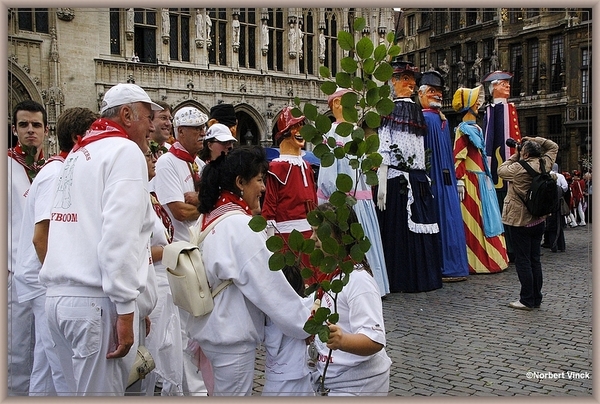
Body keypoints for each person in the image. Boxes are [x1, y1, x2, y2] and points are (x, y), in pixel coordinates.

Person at [39, 83, 161, 395]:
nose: (152, 127)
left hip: (59, 300)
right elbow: (120, 236)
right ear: (126, 114)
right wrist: (125, 307)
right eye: (148, 117)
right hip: (96, 303)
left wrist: (134, 306)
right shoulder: (125, 151)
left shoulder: (79, 154)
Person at [186, 145, 310, 395]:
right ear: (240, 182)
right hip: (231, 337)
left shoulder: (212, 216)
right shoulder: (240, 225)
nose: (263, 188)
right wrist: (305, 323)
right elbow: (268, 286)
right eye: (259, 180)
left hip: (213, 331)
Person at [14, 107, 97, 396]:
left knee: (46, 368)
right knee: (63, 372)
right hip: (45, 282)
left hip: (46, 281)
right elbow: (41, 238)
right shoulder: (56, 174)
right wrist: (61, 278)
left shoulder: (60, 170)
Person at [151, 105, 209, 395]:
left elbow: (202, 204)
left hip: (196, 252)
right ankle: (190, 392)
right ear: (180, 132)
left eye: (203, 127)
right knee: (183, 331)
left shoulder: (197, 163)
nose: (202, 133)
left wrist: (200, 200)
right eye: (196, 129)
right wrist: (204, 202)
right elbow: (179, 210)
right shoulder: (168, 163)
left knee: (196, 325)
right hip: (179, 256)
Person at [310, 203, 392, 396]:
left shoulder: (359, 281)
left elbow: (375, 339)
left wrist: (343, 340)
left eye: (318, 233)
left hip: (358, 385)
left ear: (338, 237)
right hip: (335, 382)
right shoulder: (331, 276)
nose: (312, 239)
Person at [375, 59, 442, 293]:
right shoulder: (388, 109)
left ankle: (419, 277)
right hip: (397, 178)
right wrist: (382, 181)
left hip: (416, 178)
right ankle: (403, 277)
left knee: (417, 227)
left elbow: (419, 145)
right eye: (405, 80)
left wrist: (424, 172)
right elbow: (384, 145)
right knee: (401, 231)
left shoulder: (416, 112)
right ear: (393, 82)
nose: (410, 85)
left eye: (412, 81)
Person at [316, 87, 390, 296]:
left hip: (362, 200)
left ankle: (373, 284)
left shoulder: (357, 133)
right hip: (345, 201)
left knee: (364, 241)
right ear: (337, 104)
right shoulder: (332, 134)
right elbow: (328, 174)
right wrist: (332, 199)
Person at [8, 100, 48, 396]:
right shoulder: (7, 166)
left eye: (36, 125)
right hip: (14, 274)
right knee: (18, 349)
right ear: (14, 130)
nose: (30, 131)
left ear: (46, 130)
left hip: (47, 274)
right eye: (24, 125)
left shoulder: (52, 168)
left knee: (47, 352)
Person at [140, 141, 183, 396]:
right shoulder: (135, 198)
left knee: (168, 348)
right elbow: (138, 251)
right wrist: (171, 251)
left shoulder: (150, 194)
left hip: (164, 281)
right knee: (149, 355)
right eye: (148, 155)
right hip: (150, 282)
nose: (154, 158)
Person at [418, 71, 469, 281]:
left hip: (437, 181)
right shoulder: (441, 120)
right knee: (450, 218)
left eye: (438, 91)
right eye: (432, 91)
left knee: (440, 218)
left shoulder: (428, 119)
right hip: (446, 180)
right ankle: (455, 265)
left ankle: (444, 265)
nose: (437, 95)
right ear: (422, 94)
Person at [452, 85, 509, 274]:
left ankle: (493, 257)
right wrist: (459, 179)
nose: (479, 103)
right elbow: (458, 155)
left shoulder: (475, 127)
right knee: (477, 218)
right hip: (471, 181)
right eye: (475, 100)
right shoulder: (463, 130)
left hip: (482, 179)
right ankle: (477, 260)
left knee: (489, 216)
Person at [497, 136, 559, 310]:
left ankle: (526, 299)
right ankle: (536, 297)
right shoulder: (545, 162)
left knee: (523, 261)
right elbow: (553, 145)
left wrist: (516, 155)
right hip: (538, 219)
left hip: (520, 220)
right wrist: (533, 139)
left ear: (524, 153)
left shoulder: (518, 167)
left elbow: (501, 170)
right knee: (535, 260)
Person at [262, 106, 318, 274]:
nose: (300, 131)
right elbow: (269, 206)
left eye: (302, 126)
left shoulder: (306, 165)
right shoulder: (277, 167)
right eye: (295, 127)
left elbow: (313, 199)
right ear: (285, 132)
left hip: (309, 234)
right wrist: (271, 241)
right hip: (287, 236)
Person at [482, 70, 522, 262]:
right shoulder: (492, 110)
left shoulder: (509, 108)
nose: (507, 86)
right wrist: (488, 167)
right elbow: (489, 139)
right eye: (503, 83)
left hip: (514, 165)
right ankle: (510, 246)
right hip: (501, 169)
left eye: (507, 83)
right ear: (493, 87)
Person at [262, 264, 314, 396]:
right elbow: (306, 327)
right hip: (293, 375)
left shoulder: (268, 309)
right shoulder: (298, 310)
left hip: (274, 374)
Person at [544, 163, 568, 253]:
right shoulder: (560, 181)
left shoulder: (549, 184)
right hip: (558, 207)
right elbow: (565, 187)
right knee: (559, 227)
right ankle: (561, 246)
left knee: (551, 228)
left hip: (551, 208)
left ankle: (553, 245)